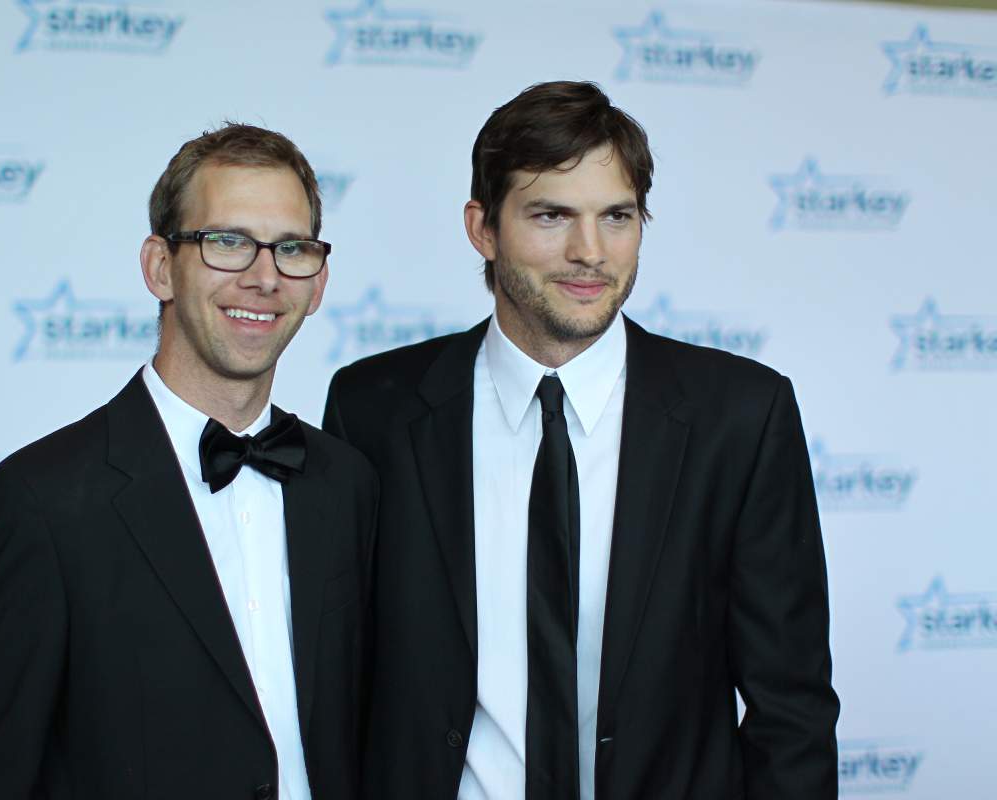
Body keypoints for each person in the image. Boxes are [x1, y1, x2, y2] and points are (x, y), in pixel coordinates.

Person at [323, 81, 839, 800]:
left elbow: (792, 707)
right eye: (551, 215)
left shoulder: (742, 416)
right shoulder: (373, 408)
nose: (589, 252)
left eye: (616, 216)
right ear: (483, 228)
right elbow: (340, 680)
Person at [0, 123, 377, 800]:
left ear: (318, 282)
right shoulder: (39, 501)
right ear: (159, 267)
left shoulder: (349, 484)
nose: (264, 277)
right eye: (227, 242)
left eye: (291, 248)